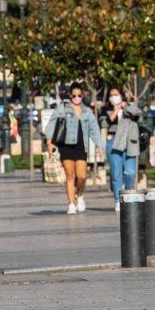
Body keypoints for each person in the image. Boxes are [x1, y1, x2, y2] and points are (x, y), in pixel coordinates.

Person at [47, 84, 102, 213]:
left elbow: (94, 130)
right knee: (70, 175)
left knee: (82, 176)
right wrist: (50, 142)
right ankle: (71, 204)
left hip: (81, 146)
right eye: (74, 95)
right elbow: (52, 124)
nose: (77, 98)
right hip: (66, 145)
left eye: (79, 95)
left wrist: (100, 145)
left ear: (82, 96)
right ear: (70, 95)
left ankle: (80, 195)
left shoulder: (87, 111)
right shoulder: (62, 109)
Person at [103, 87, 142, 208]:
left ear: (121, 95)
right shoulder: (106, 110)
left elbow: (139, 117)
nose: (114, 97)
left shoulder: (129, 106)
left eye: (116, 94)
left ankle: (129, 195)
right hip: (113, 142)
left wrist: (128, 107)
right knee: (116, 174)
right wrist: (115, 111)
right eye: (111, 95)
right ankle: (118, 200)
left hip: (129, 141)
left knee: (130, 172)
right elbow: (104, 124)